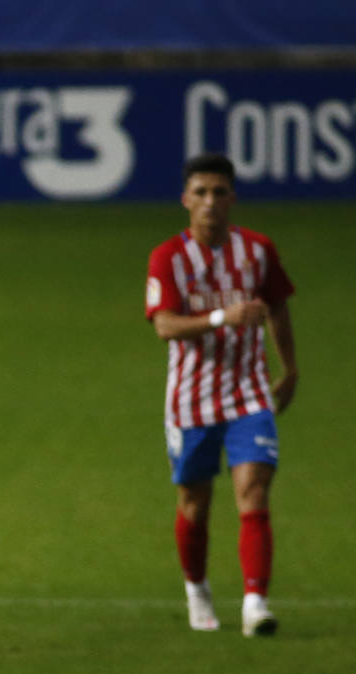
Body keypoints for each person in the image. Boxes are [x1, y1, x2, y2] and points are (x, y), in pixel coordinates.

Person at [145, 152, 298, 636]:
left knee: (253, 492)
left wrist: (289, 368)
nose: (210, 202)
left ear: (232, 198)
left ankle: (256, 603)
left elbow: (277, 307)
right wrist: (220, 317)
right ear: (186, 199)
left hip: (249, 393)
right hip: (190, 400)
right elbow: (165, 325)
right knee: (195, 502)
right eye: (201, 192)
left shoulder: (257, 250)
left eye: (219, 192)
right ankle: (197, 588)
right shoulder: (167, 257)